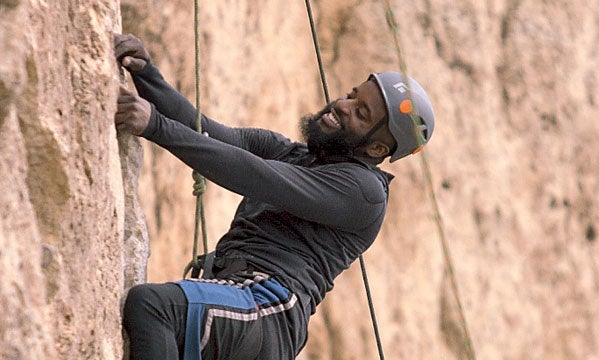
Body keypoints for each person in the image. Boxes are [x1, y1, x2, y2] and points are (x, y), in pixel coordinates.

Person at [114, 33, 434, 360]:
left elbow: (254, 175)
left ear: (377, 148)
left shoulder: (362, 192)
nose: (342, 105)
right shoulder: (290, 153)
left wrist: (154, 125)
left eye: (360, 113)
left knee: (153, 307)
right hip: (242, 301)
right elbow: (206, 132)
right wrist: (147, 75)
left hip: (268, 308)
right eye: (352, 95)